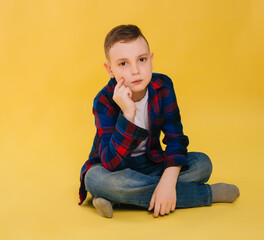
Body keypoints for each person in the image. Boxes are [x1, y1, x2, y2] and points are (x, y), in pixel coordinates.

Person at [78, 24, 240, 218]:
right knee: (95, 180)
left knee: (202, 164)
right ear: (110, 69)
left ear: (151, 60)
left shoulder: (163, 87)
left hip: (151, 162)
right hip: (113, 169)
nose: (136, 70)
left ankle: (117, 198)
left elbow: (176, 139)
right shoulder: (104, 100)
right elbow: (111, 163)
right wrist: (128, 114)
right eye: (123, 64)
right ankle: (205, 194)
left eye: (142, 60)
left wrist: (168, 181)